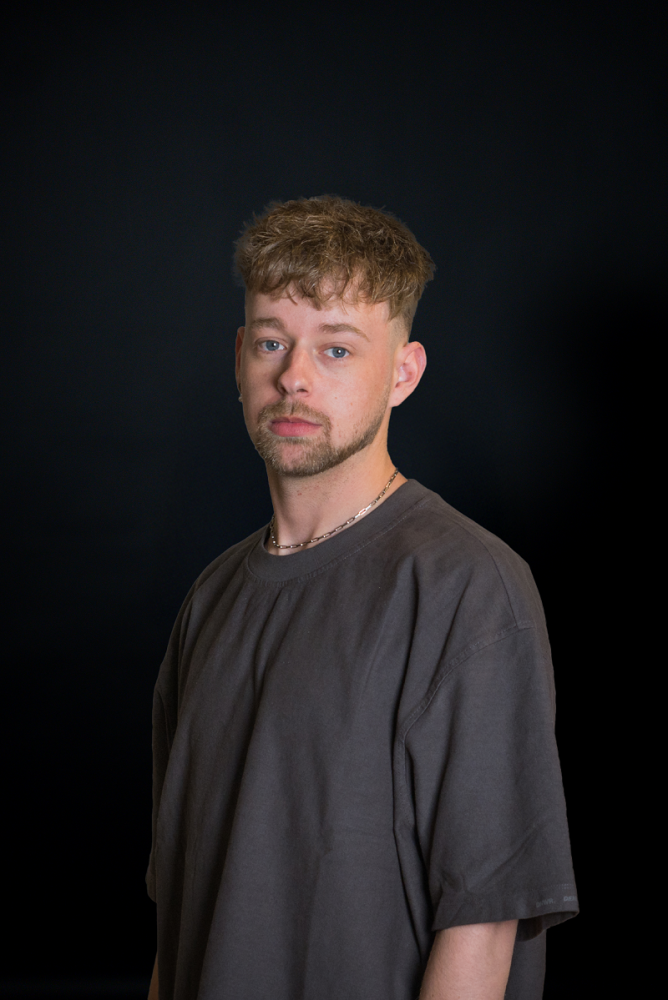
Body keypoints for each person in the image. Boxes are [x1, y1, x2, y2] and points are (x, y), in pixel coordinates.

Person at [146, 196, 578, 1000]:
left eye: (337, 349)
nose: (294, 376)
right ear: (239, 357)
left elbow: (482, 924)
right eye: (271, 341)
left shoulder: (467, 588)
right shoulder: (209, 601)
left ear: (403, 374)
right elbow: (182, 911)